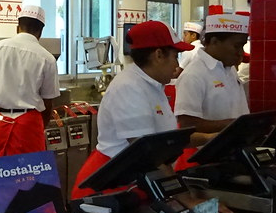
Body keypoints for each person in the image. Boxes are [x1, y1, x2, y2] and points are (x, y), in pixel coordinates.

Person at [70, 20, 215, 199]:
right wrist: (187, 200)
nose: (177, 65)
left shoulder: (154, 86)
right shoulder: (129, 87)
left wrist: (212, 139)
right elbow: (150, 154)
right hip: (106, 189)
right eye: (175, 56)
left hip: (135, 181)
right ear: (159, 55)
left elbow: (167, 139)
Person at [0, 4, 60, 157]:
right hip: (30, 123)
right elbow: (48, 104)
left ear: (17, 27)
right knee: (32, 171)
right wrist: (39, 126)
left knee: (3, 172)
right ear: (40, 32)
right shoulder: (47, 58)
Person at [174, 7, 250, 134]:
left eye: (242, 46)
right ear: (214, 42)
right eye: (236, 46)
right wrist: (233, 124)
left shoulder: (229, 69)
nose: (240, 53)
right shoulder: (193, 75)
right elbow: (187, 124)